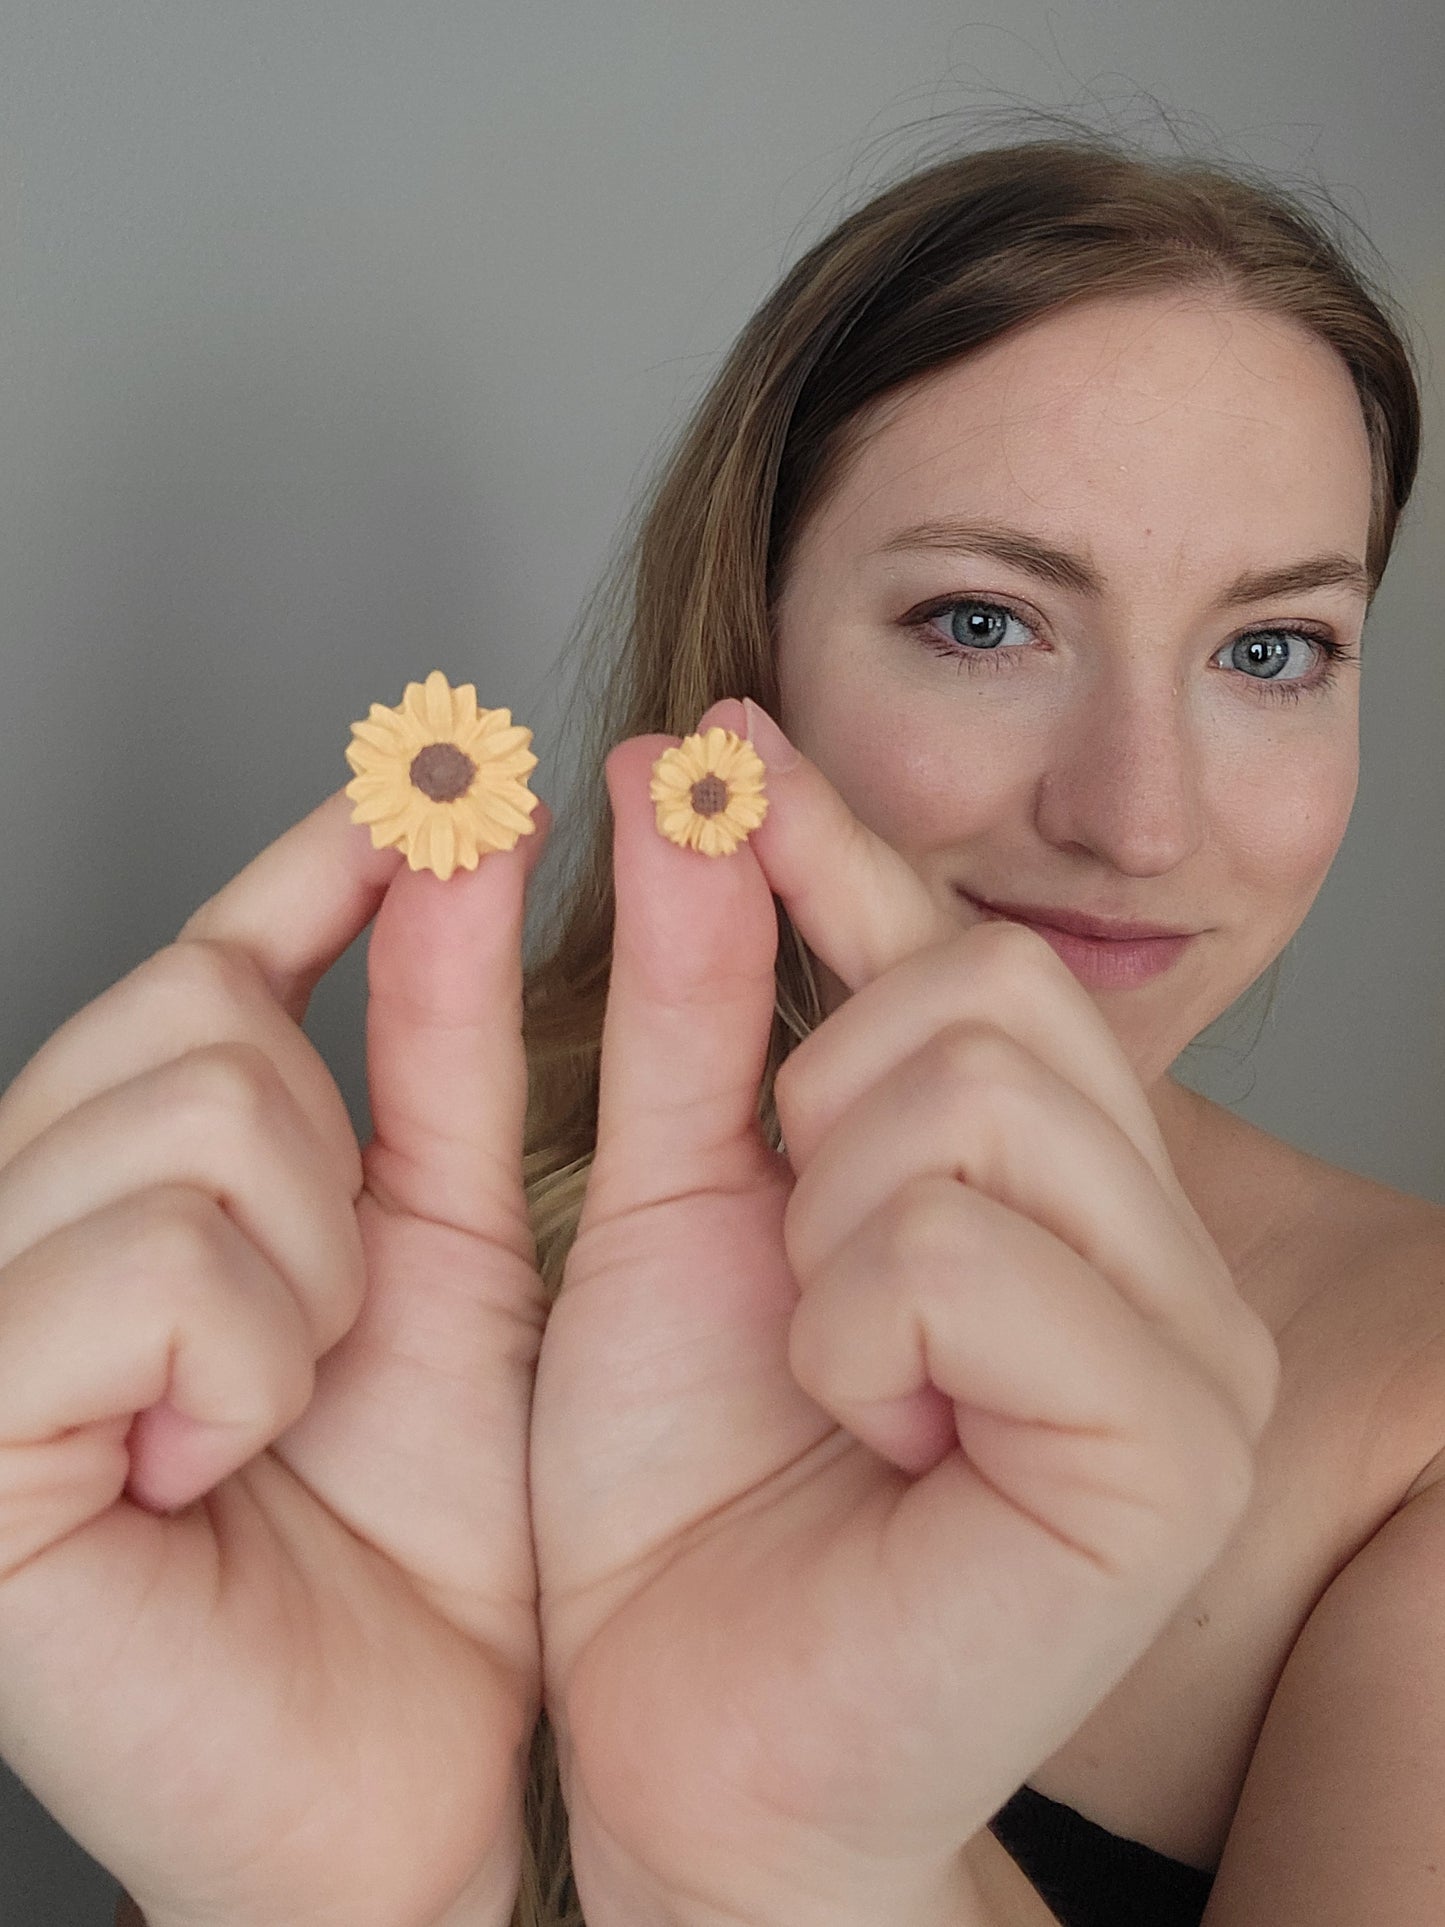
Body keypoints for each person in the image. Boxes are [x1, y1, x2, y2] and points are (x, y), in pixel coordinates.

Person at [0, 115, 1433, 1927]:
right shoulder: (389, 1285)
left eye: (1267, 651)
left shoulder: (1417, 1442)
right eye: (985, 621)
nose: (1138, 819)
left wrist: (805, 1877)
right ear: (745, 654)